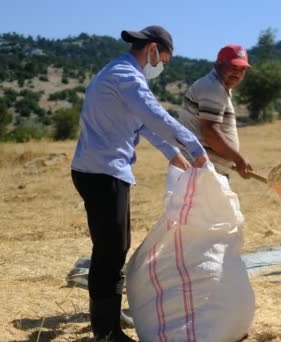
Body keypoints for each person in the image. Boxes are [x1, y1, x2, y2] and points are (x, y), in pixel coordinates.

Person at [70, 25, 208, 341]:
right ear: (152, 51)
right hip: (103, 171)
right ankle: (106, 332)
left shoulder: (118, 72)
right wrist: (195, 148)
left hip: (98, 169)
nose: (161, 67)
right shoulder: (128, 78)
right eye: (164, 60)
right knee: (111, 249)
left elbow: (142, 123)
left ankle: (107, 321)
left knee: (113, 246)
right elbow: (156, 116)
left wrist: (171, 152)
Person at [177, 44, 252, 178]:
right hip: (204, 171)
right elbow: (210, 132)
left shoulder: (216, 85)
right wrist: (238, 159)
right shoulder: (213, 88)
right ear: (218, 64)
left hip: (205, 169)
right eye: (233, 67)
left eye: (242, 69)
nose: (237, 73)